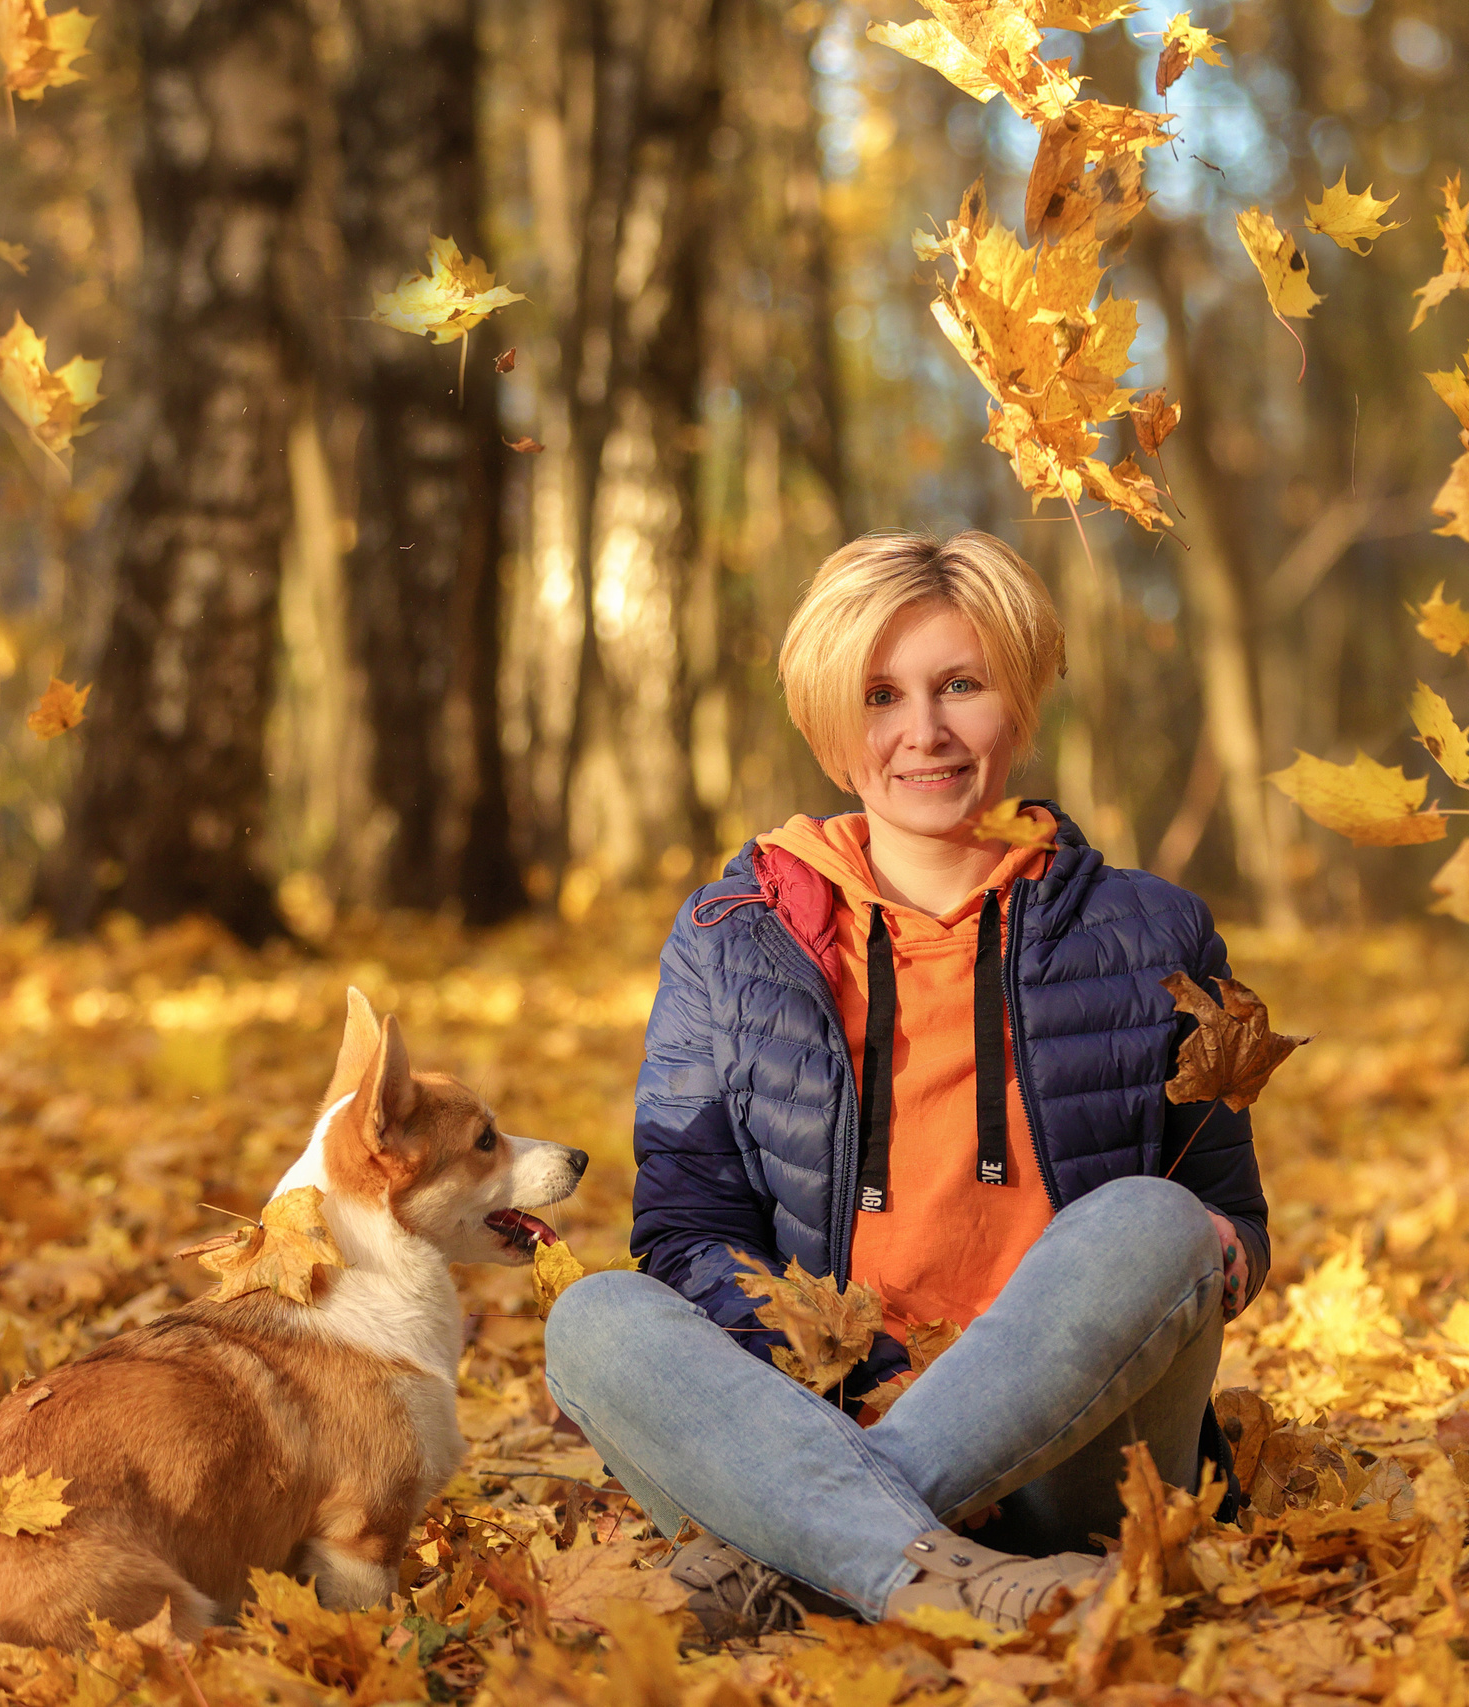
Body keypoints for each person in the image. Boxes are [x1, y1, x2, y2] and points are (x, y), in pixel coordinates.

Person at [542, 530, 1270, 1639]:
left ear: (1018, 701)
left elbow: (1229, 1217)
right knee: (595, 1319)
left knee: (1153, 1217)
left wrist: (1217, 1252)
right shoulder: (734, 939)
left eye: (960, 685)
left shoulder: (1154, 931)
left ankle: (816, 1555)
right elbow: (689, 1235)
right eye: (880, 696)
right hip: (814, 1414)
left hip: (1079, 1454)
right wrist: (866, 1374)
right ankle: (927, 1566)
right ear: (834, 728)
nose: (923, 731)